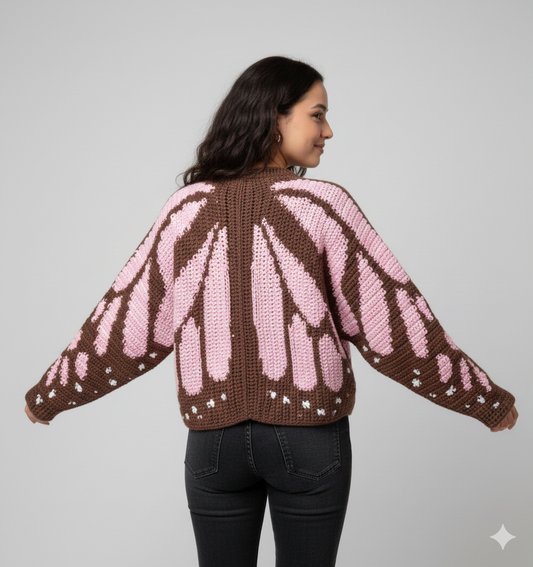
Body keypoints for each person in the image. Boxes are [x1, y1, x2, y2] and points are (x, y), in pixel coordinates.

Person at [25, 56, 518, 567]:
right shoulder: (323, 205)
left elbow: (124, 324)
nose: (328, 131)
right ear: (274, 117)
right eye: (317, 115)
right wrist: (484, 400)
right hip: (308, 439)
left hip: (213, 445)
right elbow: (395, 323)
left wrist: (49, 396)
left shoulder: (184, 209)